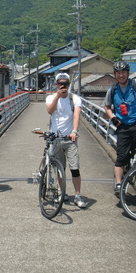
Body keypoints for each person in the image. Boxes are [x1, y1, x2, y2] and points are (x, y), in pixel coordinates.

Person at [104, 61, 136, 195]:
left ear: (127, 73)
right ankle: (119, 184)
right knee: (121, 157)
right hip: (123, 127)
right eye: (118, 73)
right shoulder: (113, 90)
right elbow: (107, 106)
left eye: (123, 72)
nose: (121, 75)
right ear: (115, 74)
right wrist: (113, 118)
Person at [45, 72, 88, 208]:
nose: (63, 86)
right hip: (55, 138)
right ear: (56, 84)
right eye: (60, 84)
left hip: (70, 138)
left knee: (74, 169)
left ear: (69, 85)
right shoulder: (50, 97)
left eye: (65, 84)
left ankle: (77, 195)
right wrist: (57, 96)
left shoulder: (74, 99)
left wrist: (74, 131)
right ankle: (61, 192)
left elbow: (77, 116)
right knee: (59, 168)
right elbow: (50, 111)